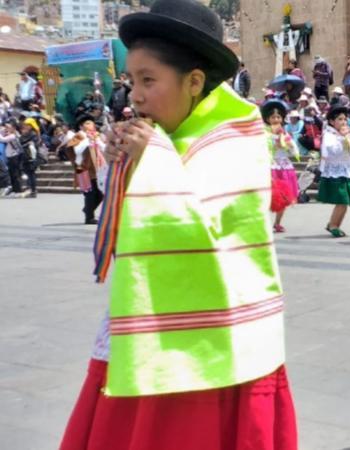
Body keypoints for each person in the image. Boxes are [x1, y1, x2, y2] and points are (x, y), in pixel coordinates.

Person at [58, 1, 298, 448]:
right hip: (152, 321)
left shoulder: (234, 135)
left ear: (193, 81)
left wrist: (154, 159)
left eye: (149, 80)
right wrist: (124, 165)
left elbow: (210, 227)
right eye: (131, 81)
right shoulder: (168, 136)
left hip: (218, 346)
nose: (136, 95)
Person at [318, 105, 350, 237]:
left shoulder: (346, 134)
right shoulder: (329, 134)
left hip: (346, 169)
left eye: (345, 119)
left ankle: (334, 224)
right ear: (332, 122)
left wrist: (349, 139)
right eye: (340, 119)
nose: (343, 122)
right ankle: (333, 225)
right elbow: (333, 151)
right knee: (342, 201)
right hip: (335, 171)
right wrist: (343, 138)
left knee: (345, 202)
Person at [261, 100, 300, 232]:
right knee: (268, 196)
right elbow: (260, 149)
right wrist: (274, 144)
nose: (276, 119)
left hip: (284, 166)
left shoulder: (285, 134)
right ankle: (263, 222)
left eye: (278, 117)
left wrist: (288, 144)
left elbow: (294, 151)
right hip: (270, 167)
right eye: (273, 117)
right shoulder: (264, 134)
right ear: (267, 119)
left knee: (284, 196)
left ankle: (278, 223)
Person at [73, 116, 107, 224]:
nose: (90, 125)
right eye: (87, 123)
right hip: (84, 168)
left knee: (101, 193)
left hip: (97, 168)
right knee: (90, 193)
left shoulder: (96, 136)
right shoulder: (78, 136)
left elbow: (104, 148)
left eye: (91, 123)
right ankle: (89, 217)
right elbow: (75, 150)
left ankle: (88, 209)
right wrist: (87, 141)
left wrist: (96, 140)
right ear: (82, 126)